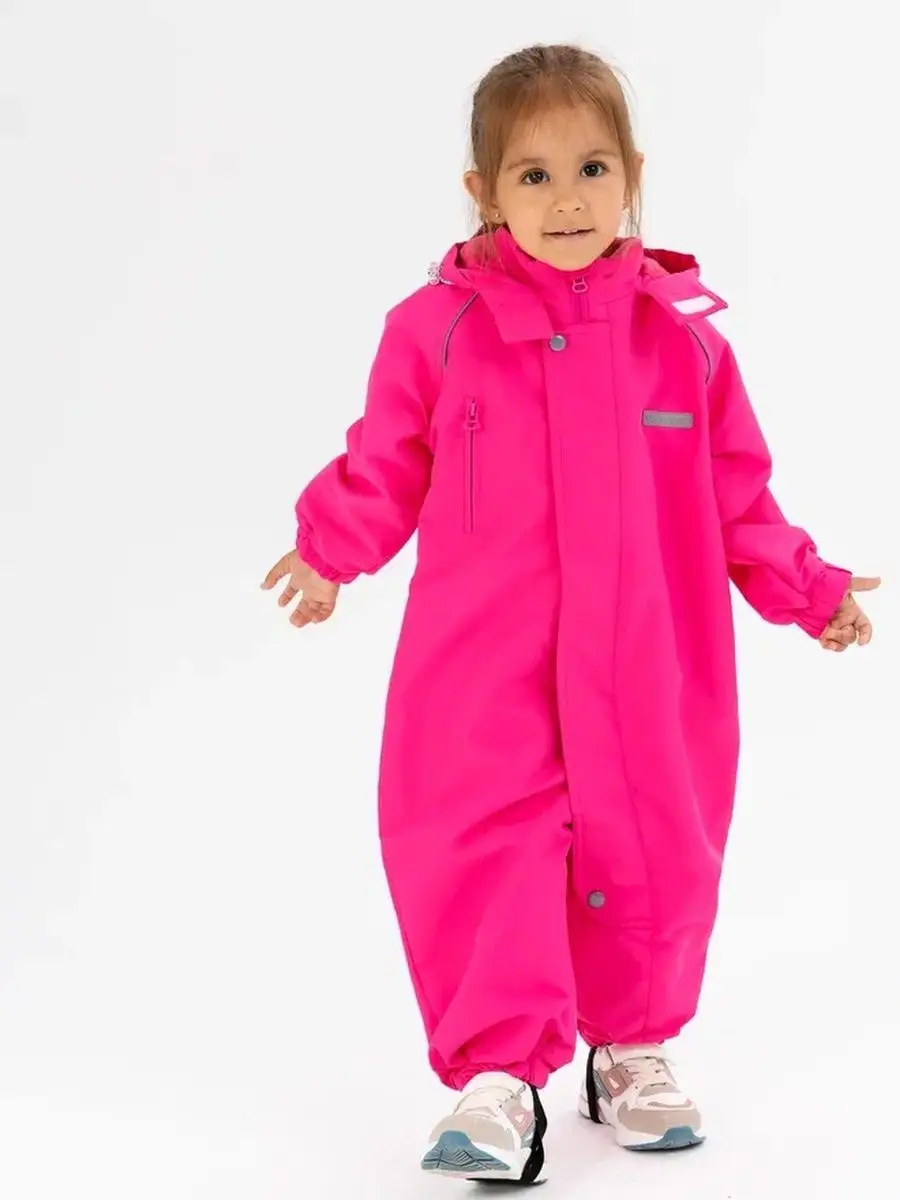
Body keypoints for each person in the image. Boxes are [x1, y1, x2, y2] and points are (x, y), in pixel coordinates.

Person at [261, 42, 879, 1186]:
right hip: (485, 665)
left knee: (653, 841)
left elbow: (738, 495)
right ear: (483, 191)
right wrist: (331, 547)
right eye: (533, 175)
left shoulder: (684, 344)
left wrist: (809, 589)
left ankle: (631, 1046)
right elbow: (386, 458)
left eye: (592, 168)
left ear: (634, 174)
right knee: (485, 846)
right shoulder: (438, 329)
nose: (567, 199)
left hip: (648, 659)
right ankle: (499, 1078)